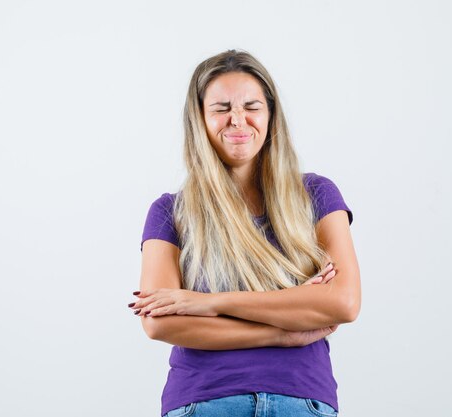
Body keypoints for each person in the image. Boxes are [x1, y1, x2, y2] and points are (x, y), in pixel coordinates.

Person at [128, 49, 361, 417]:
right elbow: (159, 323)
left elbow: (343, 303)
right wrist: (284, 330)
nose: (238, 120)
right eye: (221, 108)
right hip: (204, 400)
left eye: (252, 106)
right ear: (200, 120)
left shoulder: (316, 195)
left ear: (271, 115)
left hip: (300, 401)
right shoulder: (170, 212)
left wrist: (207, 303)